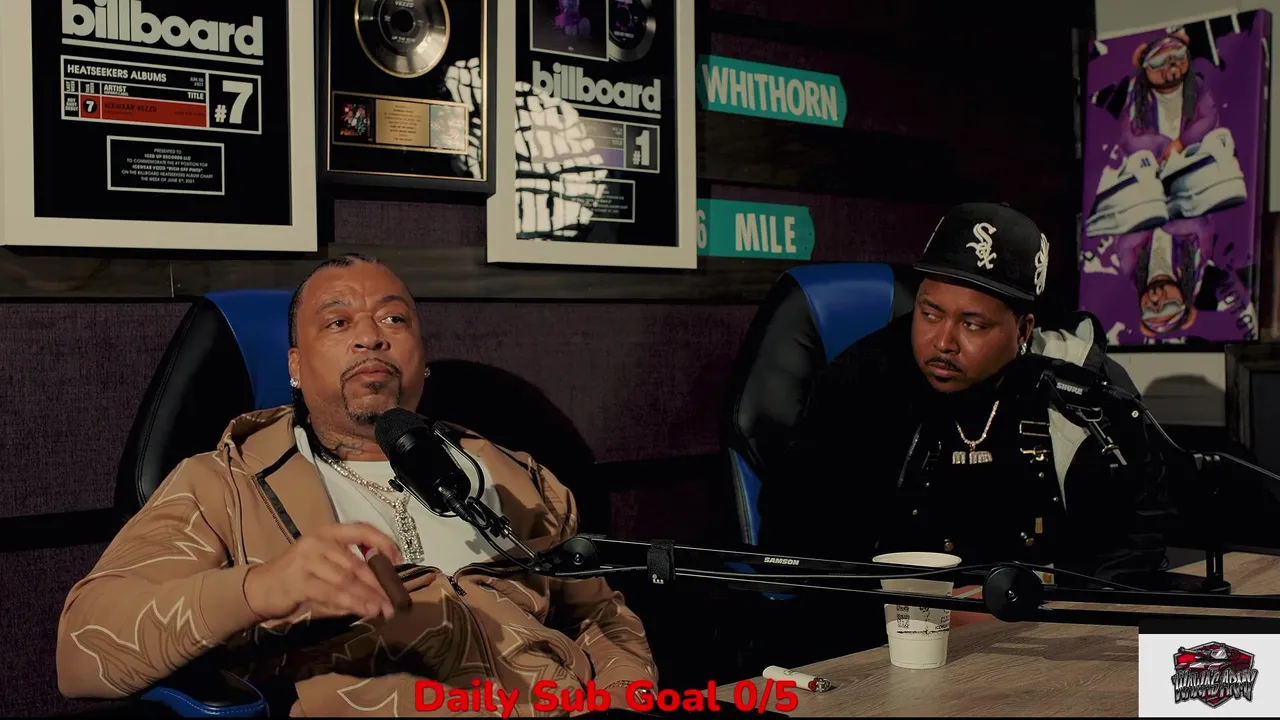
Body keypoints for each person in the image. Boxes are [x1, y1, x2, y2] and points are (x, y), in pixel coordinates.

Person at [56, 254, 657, 716]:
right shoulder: (222, 486)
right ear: (294, 366)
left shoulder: (516, 476)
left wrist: (626, 697)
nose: (372, 336)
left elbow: (599, 615)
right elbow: (82, 652)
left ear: (422, 358)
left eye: (394, 318)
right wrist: (260, 588)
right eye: (338, 322)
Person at [756, 203, 1175, 661]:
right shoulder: (863, 384)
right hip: (899, 643)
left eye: (972, 324)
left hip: (1055, 638)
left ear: (1023, 329)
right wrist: (936, 611)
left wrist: (1053, 605)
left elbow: (1139, 531)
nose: (943, 342)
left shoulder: (1078, 386)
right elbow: (798, 545)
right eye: (929, 314)